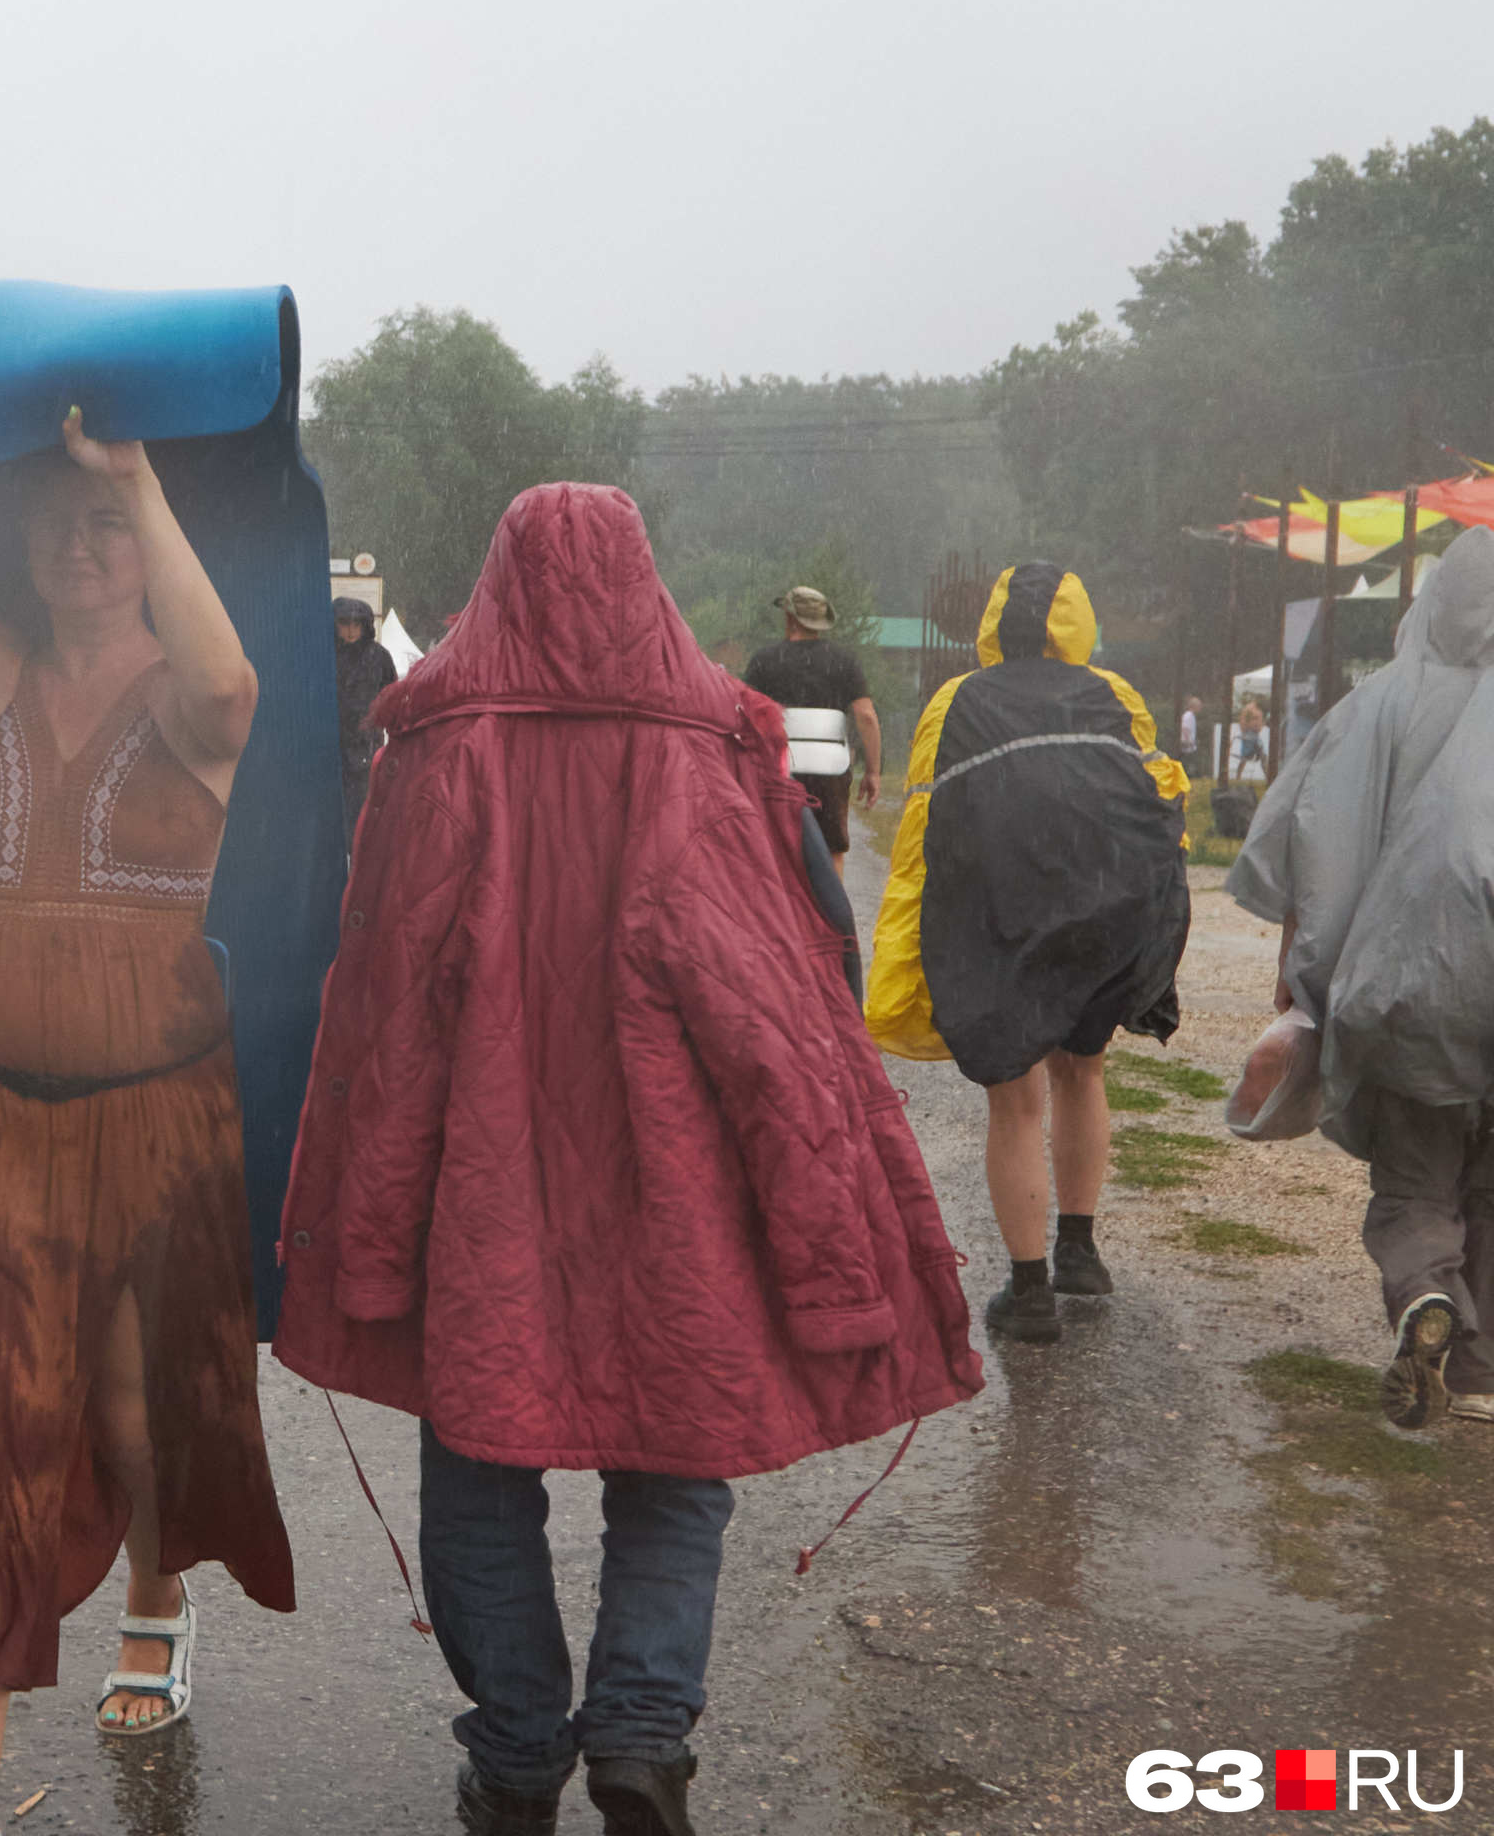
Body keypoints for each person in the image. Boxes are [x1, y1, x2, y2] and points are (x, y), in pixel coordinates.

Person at [277, 485, 978, 1836]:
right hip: (680, 1168)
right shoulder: (716, 743)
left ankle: (520, 1748)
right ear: (646, 580)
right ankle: (643, 1736)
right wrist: (824, 1199)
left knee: (476, 1451)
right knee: (678, 1453)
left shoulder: (433, 747)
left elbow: (384, 992)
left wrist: (365, 1214)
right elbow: (783, 996)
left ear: (500, 580)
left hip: (477, 1176)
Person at [0, 408, 294, 1836]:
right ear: (19, 539)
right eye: (59, 521)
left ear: (146, 540)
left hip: (153, 1122)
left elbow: (229, 684)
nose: (82, 549)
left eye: (110, 527)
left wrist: (131, 473)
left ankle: (154, 1593)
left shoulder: (193, 703)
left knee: (140, 1419)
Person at [867, 563, 1190, 1345]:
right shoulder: (1116, 695)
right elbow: (1163, 807)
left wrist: (907, 945)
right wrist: (1155, 929)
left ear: (993, 623)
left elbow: (923, 829)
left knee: (1014, 1101)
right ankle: (1080, 1252)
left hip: (999, 913)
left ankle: (1030, 1292)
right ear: (1078, 621)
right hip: (1102, 908)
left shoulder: (956, 701)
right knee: (1083, 1070)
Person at [1227, 527, 1494, 1428]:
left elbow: (1311, 849)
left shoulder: (1374, 704)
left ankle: (1425, 1294)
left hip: (1413, 984)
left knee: (1420, 1168)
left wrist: (1303, 974)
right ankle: (1482, 1370)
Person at [739, 586, 878, 855]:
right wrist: (872, 772)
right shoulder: (844, 661)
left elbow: (745, 715)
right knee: (831, 852)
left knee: (776, 851)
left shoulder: (764, 661)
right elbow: (866, 717)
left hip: (778, 771)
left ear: (790, 618)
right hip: (830, 771)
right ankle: (831, 896)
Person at [332, 594, 395, 830]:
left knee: (362, 811)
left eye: (356, 624)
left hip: (366, 745)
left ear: (365, 625)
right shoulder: (325, 654)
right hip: (330, 744)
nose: (350, 630)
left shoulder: (379, 657)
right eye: (344, 623)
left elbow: (392, 697)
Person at [1236, 692, 1268, 779]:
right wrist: (1244, 734)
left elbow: (1260, 719)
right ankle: (1238, 776)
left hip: (1256, 735)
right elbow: (1243, 721)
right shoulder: (1249, 708)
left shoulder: (1259, 708)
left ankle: (1268, 776)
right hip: (1248, 734)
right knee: (1245, 757)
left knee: (1263, 755)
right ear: (1257, 699)